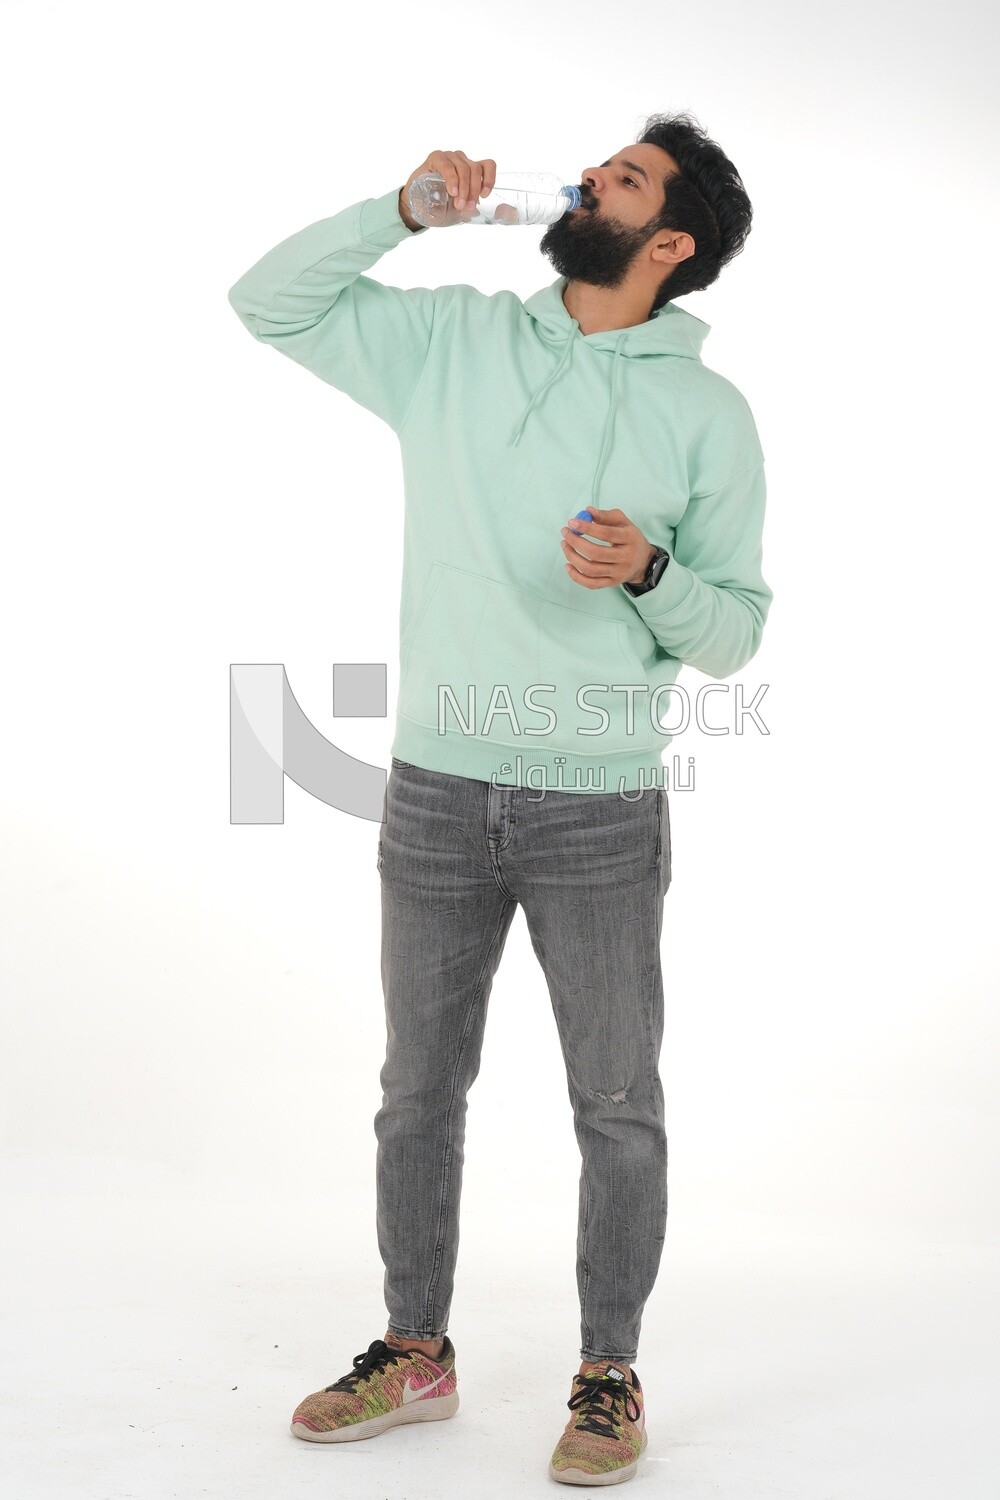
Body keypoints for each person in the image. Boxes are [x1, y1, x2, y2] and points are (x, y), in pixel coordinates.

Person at [228, 111, 772, 1486]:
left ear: (669, 244)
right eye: (604, 165)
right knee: (418, 1091)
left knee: (614, 1100)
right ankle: (416, 1351)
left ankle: (608, 1375)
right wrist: (399, 216)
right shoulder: (457, 341)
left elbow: (735, 635)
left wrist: (652, 574)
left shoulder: (707, 413)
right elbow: (266, 302)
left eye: (628, 179)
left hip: (597, 803)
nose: (592, 177)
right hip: (433, 794)